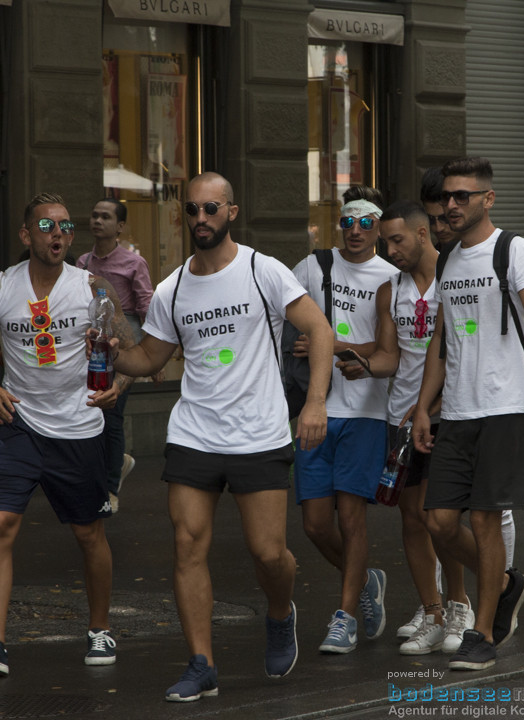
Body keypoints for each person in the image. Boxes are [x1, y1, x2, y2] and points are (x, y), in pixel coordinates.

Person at [108, 172, 332, 702]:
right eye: (191, 210)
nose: (200, 219)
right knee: (186, 545)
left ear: (231, 211)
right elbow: (149, 358)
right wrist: (104, 351)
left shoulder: (263, 270)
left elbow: (319, 330)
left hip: (258, 433)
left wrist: (316, 402)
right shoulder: (173, 288)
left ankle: (281, 613)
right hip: (194, 433)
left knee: (268, 554)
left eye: (211, 209)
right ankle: (201, 663)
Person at [0, 193, 128, 676]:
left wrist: (118, 385)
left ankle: (100, 628)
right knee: (1, 525)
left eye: (65, 227)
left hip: (77, 429)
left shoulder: (92, 287)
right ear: (26, 235)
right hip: (18, 424)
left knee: (88, 533)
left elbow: (129, 350)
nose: (59, 235)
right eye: (48, 226)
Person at [412, 157, 524, 671]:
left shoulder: (513, 249)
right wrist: (422, 408)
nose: (451, 205)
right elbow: (441, 341)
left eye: (462, 196)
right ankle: (504, 583)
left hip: (503, 406)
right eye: (446, 198)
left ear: (488, 199)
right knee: (437, 522)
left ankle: (482, 634)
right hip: (456, 413)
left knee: (484, 520)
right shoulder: (447, 259)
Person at [340, 199, 474, 656]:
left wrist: (430, 406)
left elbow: (460, 354)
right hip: (400, 418)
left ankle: (459, 604)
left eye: (397, 240)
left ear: (422, 234)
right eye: (385, 243)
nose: (390, 250)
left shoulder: (454, 280)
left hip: (445, 414)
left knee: (443, 518)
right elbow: (390, 355)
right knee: (413, 520)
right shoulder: (389, 291)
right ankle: (432, 612)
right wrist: (364, 364)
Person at [291, 185, 398, 655]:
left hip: (366, 410)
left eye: (366, 222)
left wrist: (330, 345)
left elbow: (388, 351)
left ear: (379, 226)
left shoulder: (391, 276)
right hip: (315, 407)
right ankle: (365, 581)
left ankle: (346, 615)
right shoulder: (312, 268)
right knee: (316, 523)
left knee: (352, 518)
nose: (356, 231)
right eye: (348, 222)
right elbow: (286, 326)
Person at [76, 198, 154, 513]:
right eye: (94, 215)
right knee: (93, 411)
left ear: (119, 226)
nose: (97, 221)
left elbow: (148, 305)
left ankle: (110, 489)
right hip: (93, 342)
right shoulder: (82, 263)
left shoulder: (134, 263)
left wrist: (152, 353)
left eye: (105, 217)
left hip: (127, 338)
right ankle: (111, 466)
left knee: (113, 413)